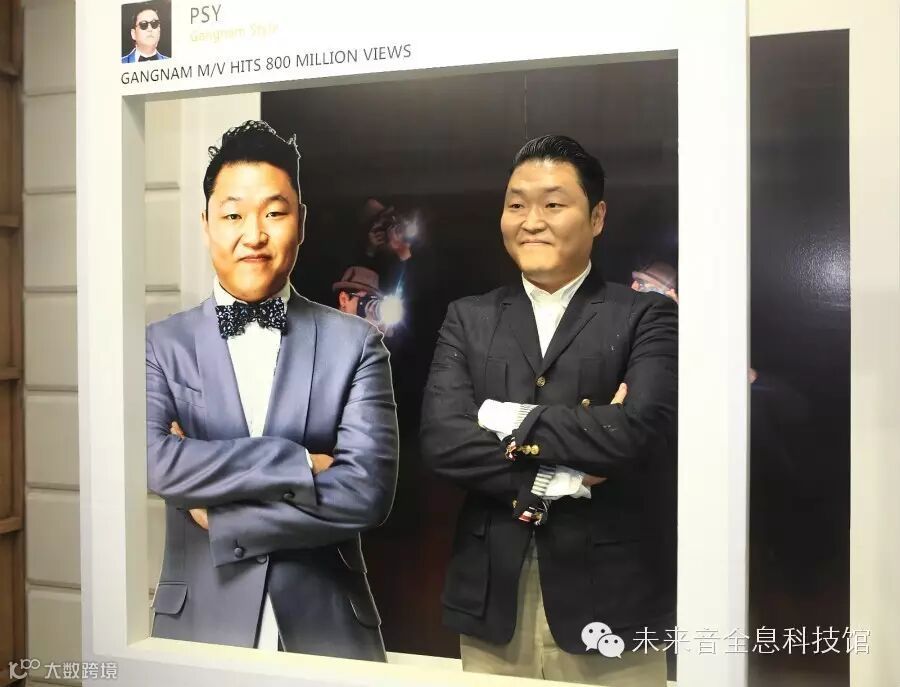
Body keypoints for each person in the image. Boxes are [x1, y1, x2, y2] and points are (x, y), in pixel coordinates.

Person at [421, 135, 677, 685]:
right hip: (491, 593)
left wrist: (502, 417)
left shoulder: (645, 316)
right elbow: (443, 441)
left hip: (612, 595)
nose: (531, 221)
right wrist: (567, 476)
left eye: (553, 204)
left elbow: (637, 433)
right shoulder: (468, 318)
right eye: (516, 204)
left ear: (597, 217)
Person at [145, 120, 398, 661]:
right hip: (197, 628)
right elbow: (156, 461)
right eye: (233, 214)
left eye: (274, 213)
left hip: (329, 629)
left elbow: (367, 493)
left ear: (301, 222)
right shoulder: (160, 346)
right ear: (206, 223)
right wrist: (299, 462)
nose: (254, 235)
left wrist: (223, 516)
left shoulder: (357, 344)